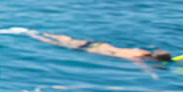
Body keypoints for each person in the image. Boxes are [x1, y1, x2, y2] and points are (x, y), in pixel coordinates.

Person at [18, 29, 173, 62]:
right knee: (56, 44)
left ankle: (33, 31)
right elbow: (144, 67)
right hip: (90, 50)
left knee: (64, 38)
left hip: (95, 44)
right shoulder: (135, 57)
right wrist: (153, 74)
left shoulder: (140, 51)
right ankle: (30, 34)